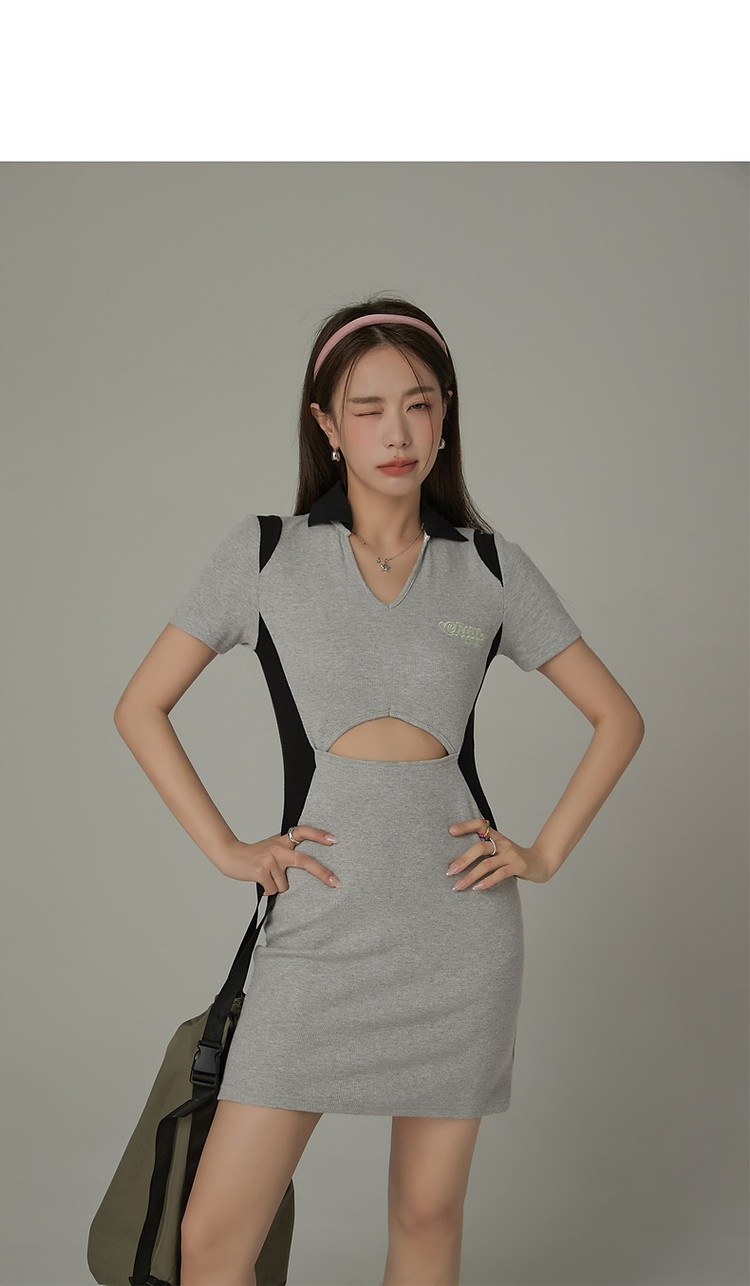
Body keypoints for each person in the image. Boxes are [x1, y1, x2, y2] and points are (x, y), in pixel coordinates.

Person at [113, 295, 645, 1286]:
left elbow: (619, 717)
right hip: (319, 929)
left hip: (458, 934)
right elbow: (140, 705)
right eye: (367, 408)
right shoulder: (264, 554)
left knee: (425, 1214)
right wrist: (228, 847)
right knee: (213, 1238)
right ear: (326, 422)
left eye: (419, 404)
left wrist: (542, 852)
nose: (396, 432)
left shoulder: (489, 567)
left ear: (445, 418)